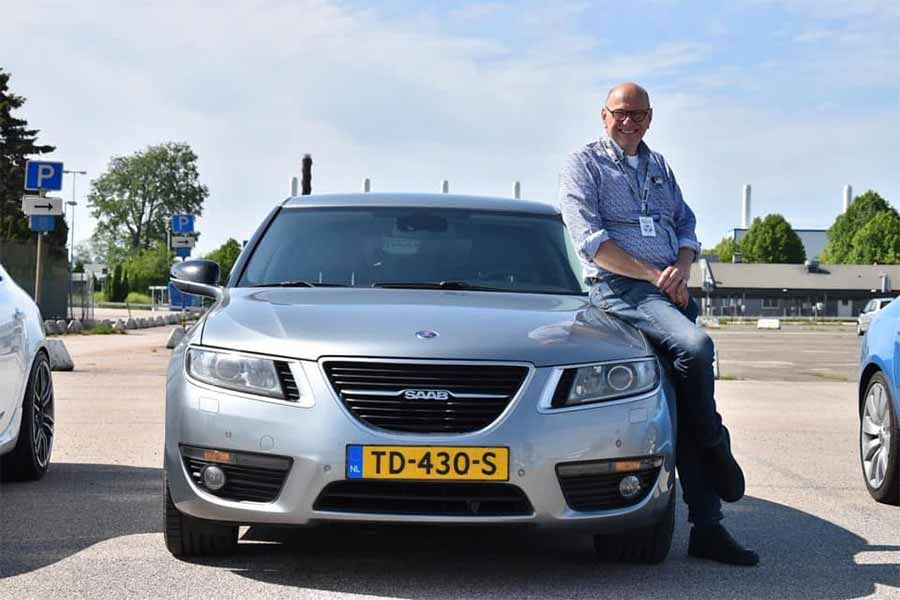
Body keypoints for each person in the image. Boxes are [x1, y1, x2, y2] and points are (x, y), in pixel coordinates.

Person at [558, 82, 759, 567]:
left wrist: (682, 267)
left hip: (671, 293)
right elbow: (591, 241)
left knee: (680, 408)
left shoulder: (659, 165)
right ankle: (716, 441)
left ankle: (707, 529)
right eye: (621, 113)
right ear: (602, 115)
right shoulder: (583, 165)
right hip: (622, 292)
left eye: (640, 114)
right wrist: (654, 276)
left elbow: (686, 225)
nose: (631, 121)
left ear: (650, 118)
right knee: (697, 345)